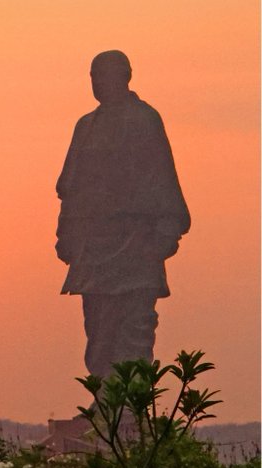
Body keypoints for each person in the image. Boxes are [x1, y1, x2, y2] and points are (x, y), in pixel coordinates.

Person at [55, 50, 190, 377]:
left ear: (124, 76)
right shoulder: (86, 126)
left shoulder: (145, 119)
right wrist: (66, 235)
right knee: (99, 333)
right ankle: (106, 404)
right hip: (95, 248)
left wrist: (165, 232)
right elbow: (70, 189)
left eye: (103, 75)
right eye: (93, 76)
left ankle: (130, 410)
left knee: (134, 331)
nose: (98, 83)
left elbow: (163, 177)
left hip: (136, 243)